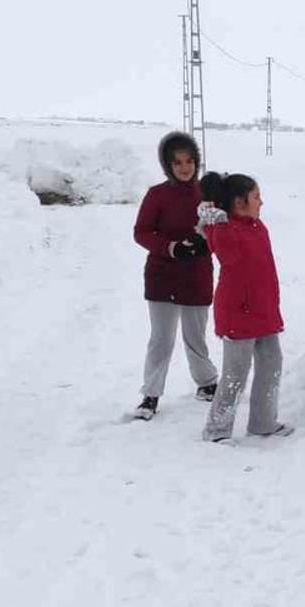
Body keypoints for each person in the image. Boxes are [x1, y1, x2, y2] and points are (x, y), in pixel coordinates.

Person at [198, 171, 292, 442]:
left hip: (263, 311)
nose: (261, 202)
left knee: (271, 363)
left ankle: (263, 423)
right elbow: (226, 254)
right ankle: (217, 430)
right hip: (238, 314)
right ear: (239, 202)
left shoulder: (257, 227)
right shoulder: (226, 231)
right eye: (256, 197)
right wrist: (216, 220)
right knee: (234, 375)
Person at [131, 131, 218, 421]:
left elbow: (222, 226)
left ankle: (206, 384)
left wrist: (209, 240)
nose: (184, 167)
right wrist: (172, 248)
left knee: (196, 337)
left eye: (190, 161)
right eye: (177, 162)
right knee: (161, 339)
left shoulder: (207, 193)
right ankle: (150, 395)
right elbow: (141, 232)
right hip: (163, 276)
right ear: (167, 165)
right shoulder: (157, 195)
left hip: (197, 275)